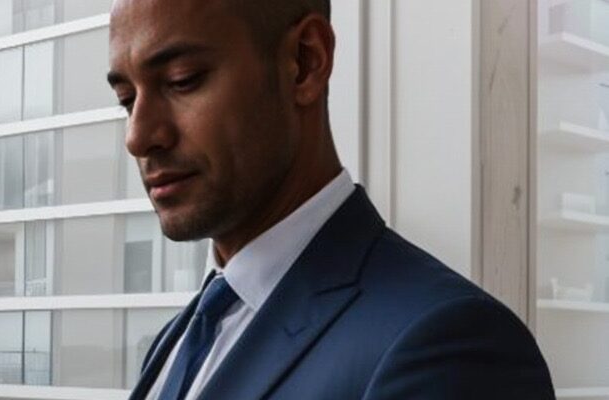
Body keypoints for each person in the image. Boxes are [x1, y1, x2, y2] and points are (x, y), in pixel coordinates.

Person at [106, 0, 555, 399]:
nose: (138, 137)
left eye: (182, 81)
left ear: (305, 61)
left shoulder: (449, 347)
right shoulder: (178, 341)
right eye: (127, 99)